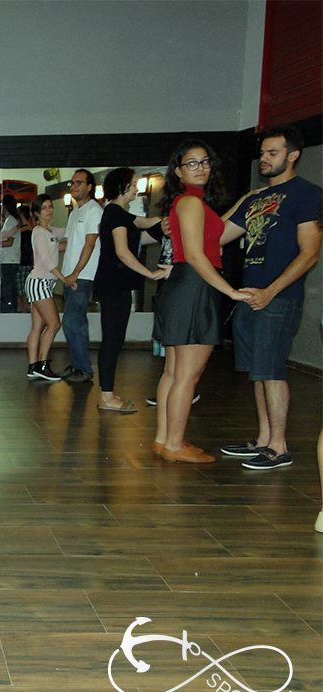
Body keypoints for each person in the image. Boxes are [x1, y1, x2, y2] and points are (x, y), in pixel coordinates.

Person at [218, 126, 322, 470]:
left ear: (293, 155)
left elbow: (310, 253)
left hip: (278, 297)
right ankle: (263, 439)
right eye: (262, 153)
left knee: (273, 370)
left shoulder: (307, 194)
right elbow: (216, 236)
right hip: (250, 295)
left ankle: (279, 446)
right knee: (258, 371)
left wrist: (270, 291)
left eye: (272, 153)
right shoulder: (256, 199)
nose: (264, 158)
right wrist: (244, 199)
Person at [153, 141, 249, 463]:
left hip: (183, 286)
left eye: (205, 162)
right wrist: (231, 291)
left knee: (174, 372)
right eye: (192, 163)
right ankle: (175, 444)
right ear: (178, 171)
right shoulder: (191, 203)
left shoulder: (188, 202)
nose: (201, 168)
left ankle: (164, 439)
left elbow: (214, 237)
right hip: (194, 286)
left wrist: (244, 203)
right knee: (187, 375)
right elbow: (196, 255)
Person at [93, 169, 167, 413]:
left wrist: (168, 222)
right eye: (134, 183)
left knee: (115, 338)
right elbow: (123, 252)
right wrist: (150, 273)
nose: (137, 187)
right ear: (122, 186)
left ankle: (108, 394)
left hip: (117, 284)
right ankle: (106, 397)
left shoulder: (121, 214)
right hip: (113, 284)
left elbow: (143, 227)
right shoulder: (114, 213)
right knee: (112, 339)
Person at [58, 169, 103, 383]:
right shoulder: (75, 212)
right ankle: (78, 365)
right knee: (75, 322)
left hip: (83, 276)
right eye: (72, 183)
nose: (74, 186)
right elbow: (69, 244)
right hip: (70, 276)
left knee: (71, 321)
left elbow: (90, 243)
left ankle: (84, 369)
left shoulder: (94, 210)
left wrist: (76, 273)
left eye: (79, 183)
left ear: (89, 187)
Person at [25, 195, 66, 381]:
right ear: (36, 213)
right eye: (44, 208)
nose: (49, 210)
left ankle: (33, 366)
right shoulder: (38, 232)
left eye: (50, 206)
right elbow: (48, 262)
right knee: (54, 324)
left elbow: (69, 233)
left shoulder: (51, 231)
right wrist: (64, 279)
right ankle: (42, 365)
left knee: (37, 327)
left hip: (43, 283)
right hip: (39, 282)